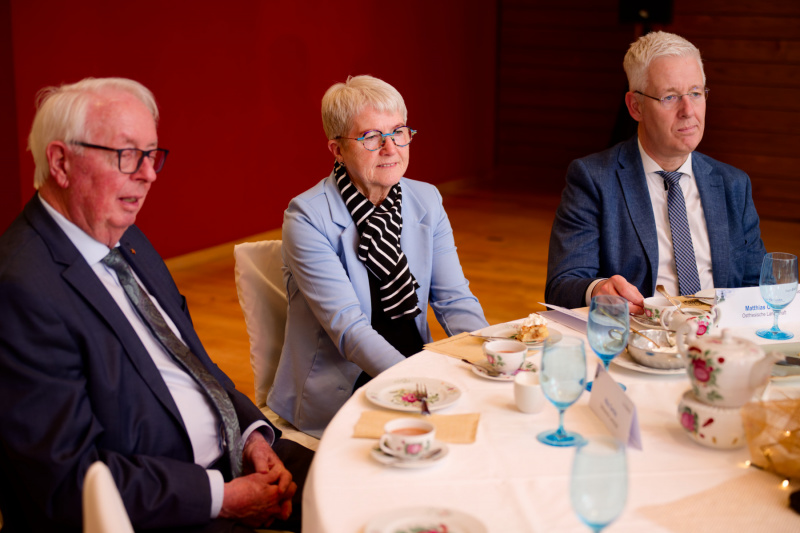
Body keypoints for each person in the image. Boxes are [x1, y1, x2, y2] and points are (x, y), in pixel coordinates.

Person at [0, 77, 312, 532]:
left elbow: (195, 363)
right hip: (157, 511)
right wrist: (221, 498)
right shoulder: (21, 288)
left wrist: (252, 439)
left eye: (151, 155)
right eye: (126, 155)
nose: (147, 174)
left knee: (375, 487)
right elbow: (69, 482)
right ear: (61, 162)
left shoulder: (128, 238)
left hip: (233, 462)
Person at [268, 75, 488, 437]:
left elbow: (454, 298)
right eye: (371, 137)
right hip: (343, 388)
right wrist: (420, 386)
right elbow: (349, 330)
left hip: (415, 362)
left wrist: (488, 357)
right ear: (337, 149)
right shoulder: (306, 217)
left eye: (398, 132)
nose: (391, 148)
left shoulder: (426, 200)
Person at [545, 31, 765, 313]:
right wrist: (598, 290)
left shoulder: (733, 183)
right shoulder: (593, 179)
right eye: (670, 97)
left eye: (696, 93)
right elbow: (562, 286)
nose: (688, 110)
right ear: (636, 106)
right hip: (641, 340)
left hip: (720, 341)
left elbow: (758, 288)